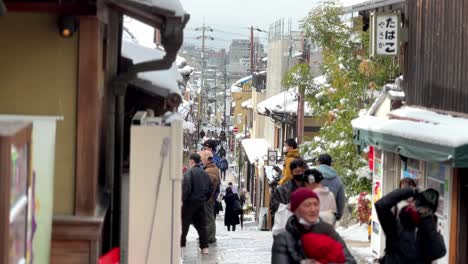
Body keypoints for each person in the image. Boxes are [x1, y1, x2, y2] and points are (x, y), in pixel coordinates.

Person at [272, 188, 356, 264]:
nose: (313, 209)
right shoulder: (284, 239)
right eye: (307, 205)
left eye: (316, 204)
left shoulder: (328, 231)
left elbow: (350, 261)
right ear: (295, 209)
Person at [375, 187, 446, 263]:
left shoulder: (428, 231)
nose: (419, 210)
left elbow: (439, 251)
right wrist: (410, 191)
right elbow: (380, 205)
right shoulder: (396, 226)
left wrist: (426, 219)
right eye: (418, 204)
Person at [181, 153, 213, 254]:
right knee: (201, 226)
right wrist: (204, 199)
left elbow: (186, 188)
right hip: (201, 203)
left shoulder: (189, 173)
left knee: (184, 224)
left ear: (192, 161)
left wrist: (183, 200)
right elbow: (210, 189)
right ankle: (204, 247)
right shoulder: (205, 174)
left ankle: (181, 245)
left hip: (189, 203)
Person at [270, 158, 307, 225]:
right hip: (286, 225)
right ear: (292, 172)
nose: (300, 174)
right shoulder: (281, 190)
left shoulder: (310, 188)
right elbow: (274, 208)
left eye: (302, 171)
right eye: (297, 172)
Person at [315, 154, 346, 221]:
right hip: (331, 216)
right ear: (330, 163)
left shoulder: (312, 176)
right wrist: (339, 215)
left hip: (315, 214)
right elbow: (341, 200)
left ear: (318, 162)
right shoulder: (337, 179)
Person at [200, 150, 221, 244]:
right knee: (209, 217)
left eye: (202, 159)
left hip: (208, 198)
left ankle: (210, 237)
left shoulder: (210, 170)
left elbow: (207, 186)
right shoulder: (210, 168)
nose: (201, 161)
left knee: (209, 217)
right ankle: (209, 236)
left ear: (206, 158)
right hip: (209, 197)